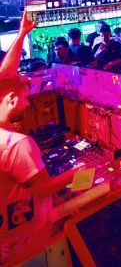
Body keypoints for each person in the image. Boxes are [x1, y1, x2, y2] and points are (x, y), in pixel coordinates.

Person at [0, 74, 76, 264]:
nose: (27, 104)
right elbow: (44, 189)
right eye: (25, 98)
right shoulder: (17, 144)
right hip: (27, 244)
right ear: (11, 99)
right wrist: (77, 172)